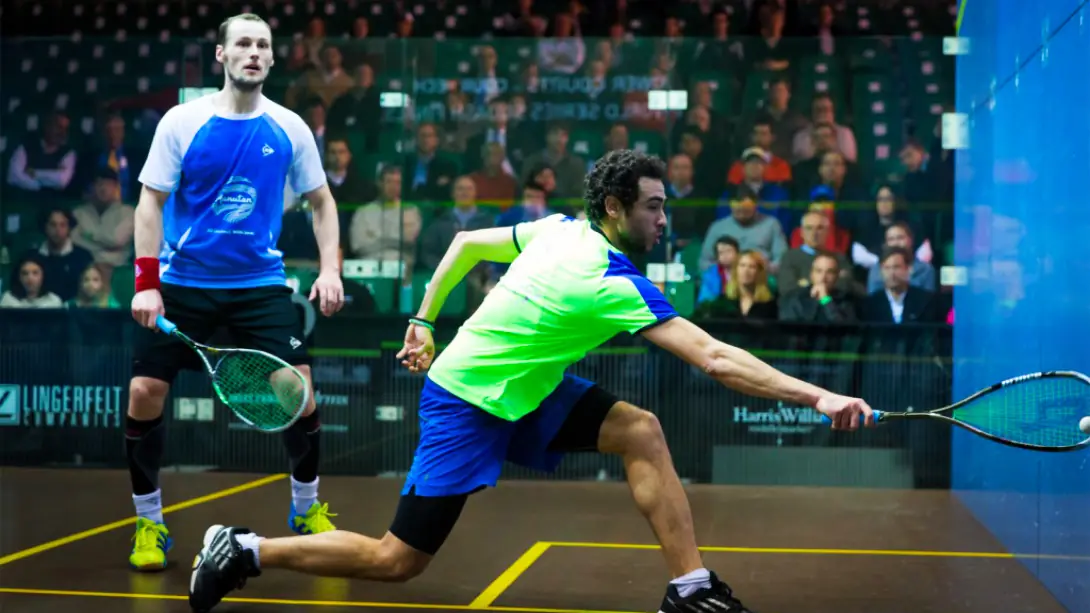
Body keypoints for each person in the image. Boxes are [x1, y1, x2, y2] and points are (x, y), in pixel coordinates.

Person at [185, 149, 874, 613]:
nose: (663, 222)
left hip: (528, 385)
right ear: (612, 205)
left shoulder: (559, 230)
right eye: (653, 208)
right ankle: (244, 548)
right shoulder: (606, 277)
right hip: (466, 400)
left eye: (665, 208)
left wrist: (425, 317)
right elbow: (716, 359)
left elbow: (463, 247)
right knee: (398, 560)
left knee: (641, 428)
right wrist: (819, 395)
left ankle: (690, 588)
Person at [125, 13, 345, 573]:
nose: (254, 52)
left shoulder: (291, 127)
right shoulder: (182, 121)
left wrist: (330, 270)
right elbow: (149, 203)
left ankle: (306, 508)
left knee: (298, 393)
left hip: (259, 286)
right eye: (243, 43)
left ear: (272, 59)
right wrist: (147, 284)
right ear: (221, 56)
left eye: (263, 45)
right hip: (182, 284)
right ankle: (149, 522)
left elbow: (322, 202)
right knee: (144, 392)